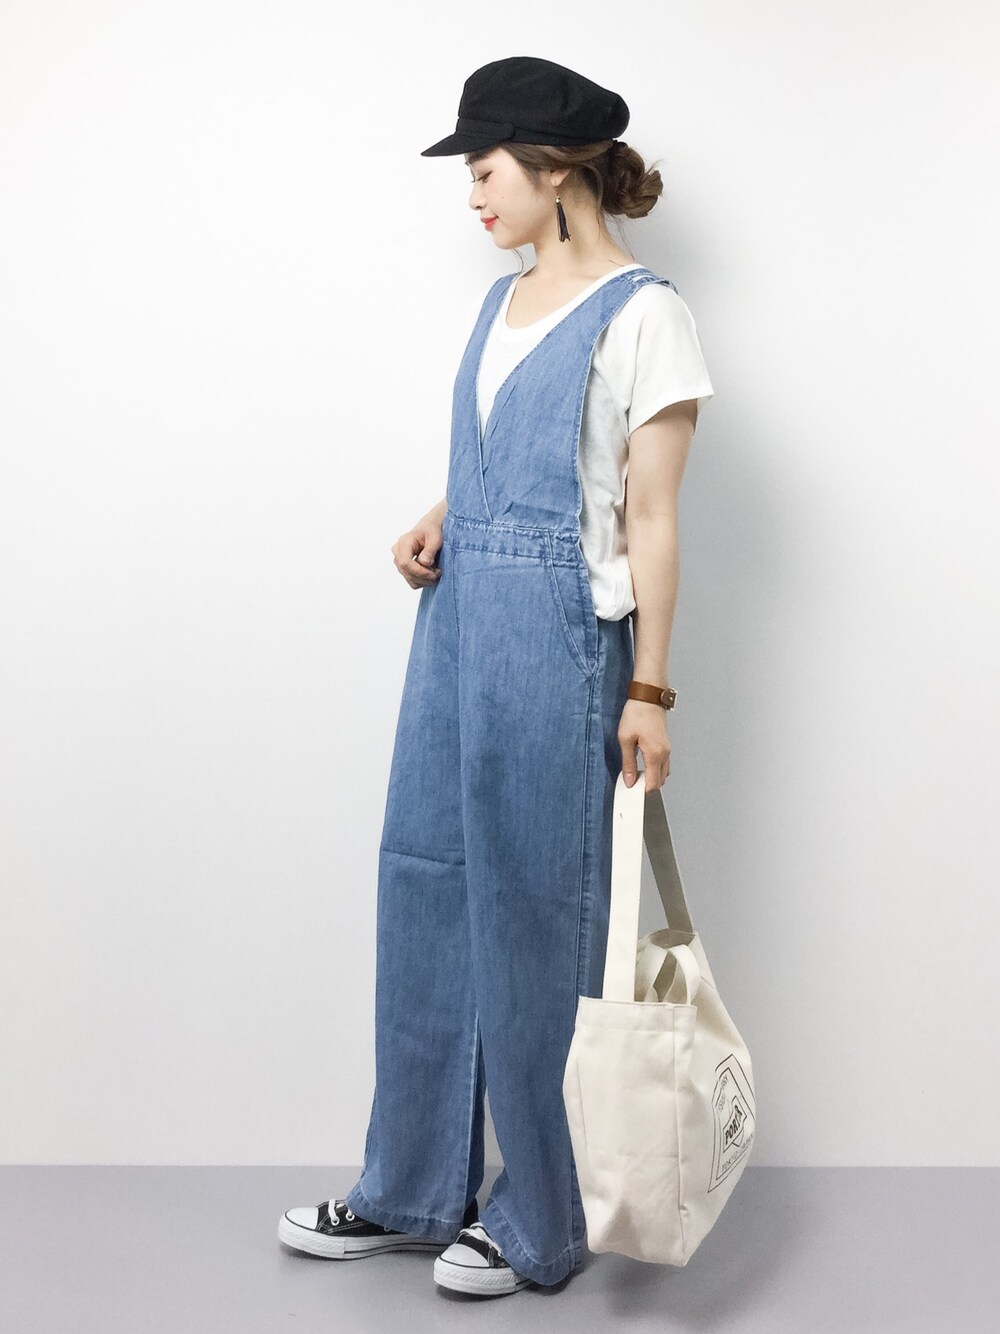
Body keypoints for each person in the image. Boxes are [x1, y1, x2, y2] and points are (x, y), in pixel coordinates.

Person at [277, 55, 714, 1299]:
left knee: (535, 911)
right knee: (425, 882)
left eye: (483, 171)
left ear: (556, 170)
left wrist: (649, 688)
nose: (471, 195)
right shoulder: (501, 299)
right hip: (458, 619)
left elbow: (649, 515)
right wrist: (439, 517)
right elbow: (501, 452)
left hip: (562, 641)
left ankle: (541, 1217)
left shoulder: (646, 315)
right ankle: (410, 1188)